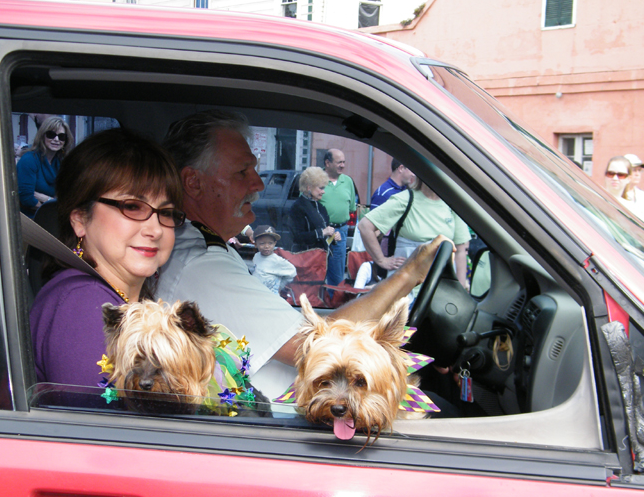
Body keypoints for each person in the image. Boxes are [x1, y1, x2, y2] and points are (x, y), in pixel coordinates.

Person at [158, 110, 450, 397]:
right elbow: (322, 345)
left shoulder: (203, 250)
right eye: (241, 172)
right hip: (286, 422)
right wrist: (407, 276)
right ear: (194, 183)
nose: (258, 184)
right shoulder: (203, 266)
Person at [30, 127, 185, 392]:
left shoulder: (100, 296)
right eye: (132, 206)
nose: (156, 229)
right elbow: (103, 427)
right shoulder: (84, 306)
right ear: (80, 219)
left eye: (166, 212)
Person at [358, 180, 471, 290]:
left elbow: (460, 251)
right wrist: (382, 260)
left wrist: (459, 290)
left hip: (440, 290)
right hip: (406, 290)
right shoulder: (405, 199)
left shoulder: (452, 204)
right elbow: (365, 226)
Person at [17, 116, 74, 217]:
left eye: (61, 137)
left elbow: (65, 198)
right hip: (30, 220)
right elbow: (27, 199)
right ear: (42, 136)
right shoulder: (29, 160)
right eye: (51, 135)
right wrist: (52, 207)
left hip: (51, 217)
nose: (56, 139)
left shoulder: (62, 162)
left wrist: (45, 198)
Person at [320, 149, 357, 287]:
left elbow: (352, 207)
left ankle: (334, 304)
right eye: (339, 162)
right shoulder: (317, 179)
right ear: (327, 163)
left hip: (340, 231)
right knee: (316, 271)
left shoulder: (347, 181)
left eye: (344, 162)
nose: (342, 165)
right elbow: (305, 205)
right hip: (320, 231)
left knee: (337, 274)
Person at [288, 166, 341, 252]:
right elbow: (297, 237)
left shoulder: (321, 207)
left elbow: (325, 236)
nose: (323, 191)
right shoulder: (297, 207)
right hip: (305, 258)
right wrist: (322, 232)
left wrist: (333, 237)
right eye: (321, 188)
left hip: (321, 258)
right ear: (309, 188)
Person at [604, 156, 644, 229]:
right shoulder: (598, 196)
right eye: (634, 170)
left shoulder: (642, 196)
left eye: (639, 170)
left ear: (628, 177)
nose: (637, 174)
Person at [251, 225, 297, 294]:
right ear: (255, 244)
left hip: (271, 296)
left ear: (275, 243)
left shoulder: (277, 261)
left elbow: (292, 272)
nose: (266, 246)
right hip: (257, 292)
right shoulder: (256, 256)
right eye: (262, 243)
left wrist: (280, 286)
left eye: (270, 243)